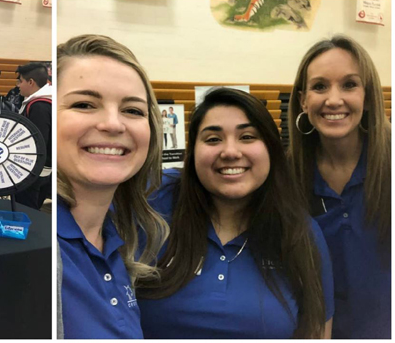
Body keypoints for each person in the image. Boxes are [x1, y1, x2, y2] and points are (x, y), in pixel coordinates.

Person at [138, 88, 334, 338]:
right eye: (212, 139)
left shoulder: (300, 234)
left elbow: (317, 332)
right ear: (193, 152)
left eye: (247, 136)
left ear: (271, 149)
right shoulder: (152, 202)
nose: (230, 152)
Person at [56, 34, 169, 339]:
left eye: (132, 110)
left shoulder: (120, 242)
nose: (113, 124)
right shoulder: (42, 255)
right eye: (84, 104)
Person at [288, 35, 391, 339]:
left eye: (349, 84)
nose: (334, 100)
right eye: (319, 86)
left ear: (368, 95)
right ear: (303, 99)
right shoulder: (284, 175)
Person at [15, 62, 52, 210]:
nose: (18, 85)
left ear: (31, 82)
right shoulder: (48, 101)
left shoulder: (39, 106)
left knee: (26, 210)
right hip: (44, 168)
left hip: (36, 170)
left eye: (20, 81)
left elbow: (38, 141)